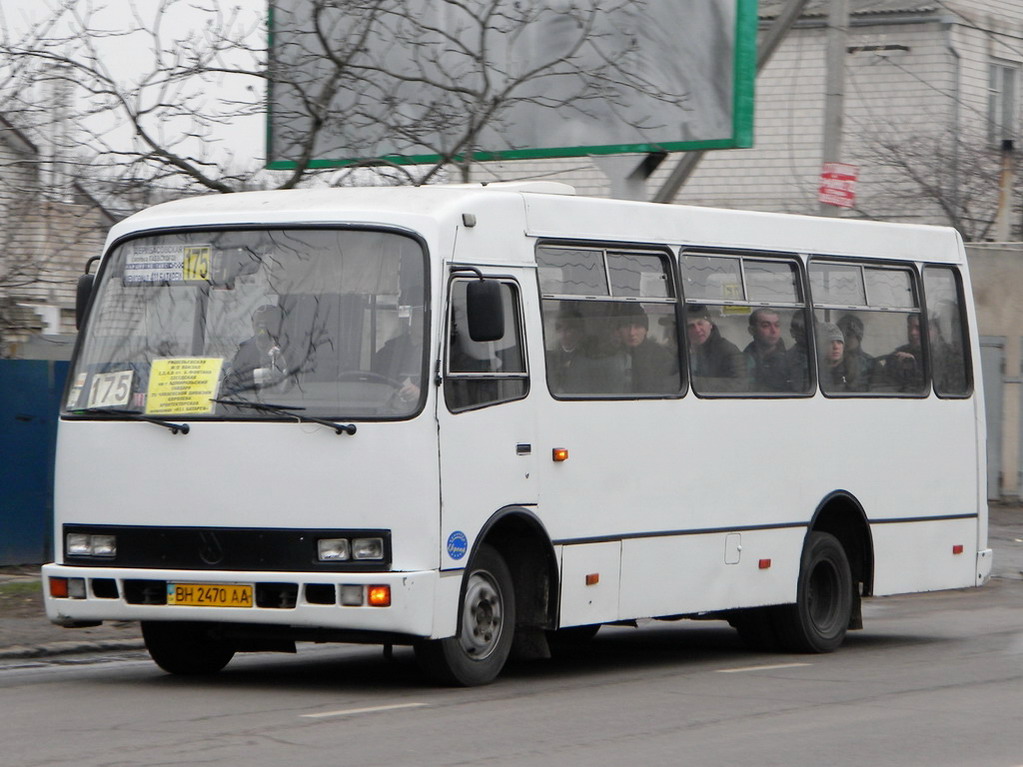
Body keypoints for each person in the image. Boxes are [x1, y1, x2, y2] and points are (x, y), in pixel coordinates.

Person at [224, 304, 292, 393]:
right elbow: (232, 383)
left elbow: (296, 386)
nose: (262, 328)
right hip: (248, 403)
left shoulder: (290, 352)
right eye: (258, 324)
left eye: (268, 324)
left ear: (280, 325)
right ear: (253, 326)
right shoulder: (244, 352)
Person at [612, 304, 678, 394]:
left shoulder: (661, 356)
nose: (632, 333)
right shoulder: (610, 354)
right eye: (626, 326)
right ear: (618, 330)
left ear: (646, 330)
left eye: (637, 327)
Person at [686, 305, 745, 392]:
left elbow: (739, 384)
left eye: (700, 324)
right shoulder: (681, 350)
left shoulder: (727, 350)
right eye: (691, 326)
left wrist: (696, 382)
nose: (697, 330)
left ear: (710, 325)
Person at [374, 307, 425, 402]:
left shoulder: (443, 354)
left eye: (428, 316)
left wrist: (421, 394)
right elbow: (374, 384)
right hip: (386, 409)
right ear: (410, 319)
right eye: (419, 315)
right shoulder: (388, 351)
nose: (424, 321)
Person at [743, 308, 796, 392]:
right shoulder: (742, 360)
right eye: (765, 326)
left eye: (777, 325)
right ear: (752, 330)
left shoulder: (791, 359)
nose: (773, 331)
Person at [881, 314, 925, 392]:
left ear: (935, 330)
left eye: (918, 328)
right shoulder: (899, 354)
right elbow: (883, 383)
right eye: (909, 328)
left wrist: (914, 368)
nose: (912, 332)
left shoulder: (944, 356)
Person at [818, 321, 863, 392]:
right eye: (830, 342)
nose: (836, 347)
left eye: (839, 342)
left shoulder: (853, 370)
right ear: (822, 346)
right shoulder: (815, 369)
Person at [837, 313, 875, 390]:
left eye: (849, 334)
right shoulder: (833, 362)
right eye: (841, 335)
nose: (845, 339)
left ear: (859, 336)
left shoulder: (871, 364)